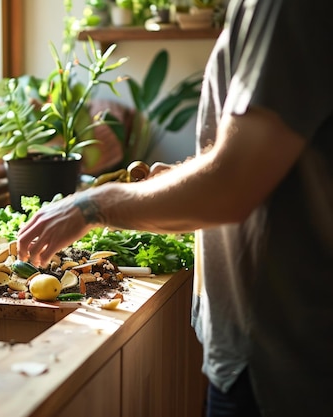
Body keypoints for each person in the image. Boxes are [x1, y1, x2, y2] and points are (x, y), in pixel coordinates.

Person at [17, 1, 333, 416]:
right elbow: (270, 167)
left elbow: (232, 185)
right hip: (266, 354)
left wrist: (93, 204)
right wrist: (179, 179)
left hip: (281, 365)